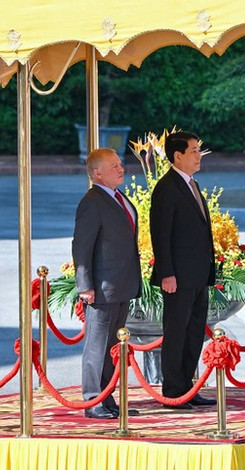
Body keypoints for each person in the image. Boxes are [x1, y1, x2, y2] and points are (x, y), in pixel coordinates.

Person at [72, 148, 142, 419]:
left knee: (112, 346)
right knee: (96, 346)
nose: (121, 168)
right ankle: (93, 400)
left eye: (120, 163)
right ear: (97, 173)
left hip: (121, 284)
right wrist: (84, 285)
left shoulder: (118, 197)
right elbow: (82, 246)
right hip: (101, 288)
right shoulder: (92, 201)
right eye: (113, 165)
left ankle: (107, 397)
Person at [150, 131, 217, 409]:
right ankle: (173, 389)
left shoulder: (192, 184)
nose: (198, 155)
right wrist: (167, 273)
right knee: (176, 332)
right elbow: (160, 234)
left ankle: (188, 386)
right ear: (177, 156)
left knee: (193, 332)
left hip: (197, 275)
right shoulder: (167, 187)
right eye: (193, 151)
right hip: (177, 276)